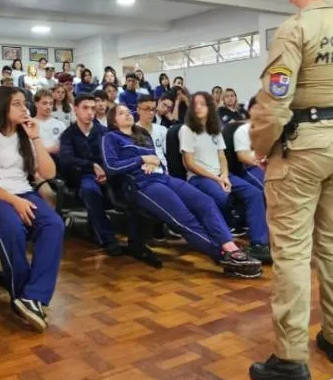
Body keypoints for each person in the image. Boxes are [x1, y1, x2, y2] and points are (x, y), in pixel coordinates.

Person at [247, 0, 333, 380]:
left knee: (293, 253)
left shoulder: (295, 28)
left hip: (304, 148)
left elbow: (274, 101)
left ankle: (290, 358)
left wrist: (260, 146)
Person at [102, 105, 262, 277]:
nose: (127, 114)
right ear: (113, 120)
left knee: (205, 202)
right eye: (121, 113)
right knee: (183, 217)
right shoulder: (110, 137)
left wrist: (154, 162)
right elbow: (111, 166)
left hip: (163, 177)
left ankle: (229, 245)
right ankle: (221, 254)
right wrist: (142, 159)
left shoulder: (141, 134)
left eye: (128, 112)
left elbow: (157, 160)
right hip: (140, 184)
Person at [0, 86, 65, 332]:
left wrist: (36, 138)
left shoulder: (24, 135)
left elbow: (49, 173)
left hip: (23, 192)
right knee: (12, 228)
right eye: (17, 104)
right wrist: (14, 201)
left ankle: (33, 296)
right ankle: (20, 294)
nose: (25, 108)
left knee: (53, 225)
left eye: (24, 103)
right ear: (2, 106)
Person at [179, 92, 270, 263]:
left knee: (255, 194)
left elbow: (222, 157)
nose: (198, 107)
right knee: (222, 196)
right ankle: (222, 237)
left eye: (202, 104)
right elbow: (189, 164)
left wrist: (225, 175)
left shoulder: (215, 129)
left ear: (209, 107)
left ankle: (259, 243)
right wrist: (217, 178)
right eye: (195, 104)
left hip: (222, 175)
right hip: (199, 177)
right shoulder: (186, 129)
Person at [58, 93, 122, 255]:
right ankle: (107, 238)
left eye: (93, 108)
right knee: (90, 189)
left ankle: (138, 236)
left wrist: (105, 170)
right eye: (85, 108)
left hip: (108, 174)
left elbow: (113, 155)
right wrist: (92, 166)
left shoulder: (103, 132)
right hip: (83, 176)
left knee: (130, 184)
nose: (90, 112)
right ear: (75, 109)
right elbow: (66, 160)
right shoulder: (68, 135)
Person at [231, 98, 263, 190]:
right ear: (249, 111)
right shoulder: (242, 130)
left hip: (271, 165)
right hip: (251, 168)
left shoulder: (270, 129)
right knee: (270, 189)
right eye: (257, 108)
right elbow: (243, 157)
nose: (260, 112)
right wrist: (261, 163)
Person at [135, 95, 168, 169]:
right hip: (144, 169)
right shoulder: (132, 131)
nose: (151, 113)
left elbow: (169, 153)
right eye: (147, 109)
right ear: (138, 110)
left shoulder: (162, 129)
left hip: (164, 169)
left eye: (153, 109)